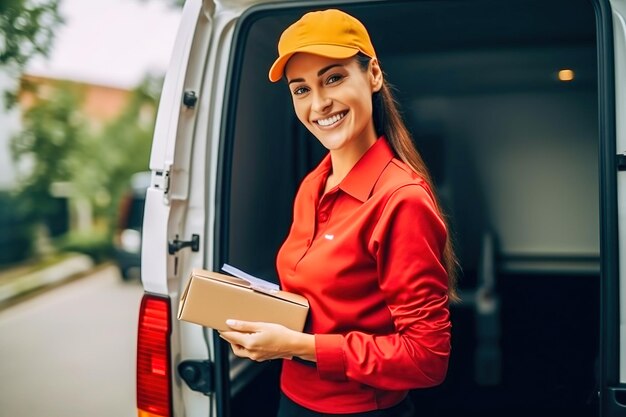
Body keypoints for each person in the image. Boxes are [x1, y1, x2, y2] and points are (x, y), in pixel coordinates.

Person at [219, 8, 458, 417]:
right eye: (301, 89)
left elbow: (426, 358)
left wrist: (294, 345)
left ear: (374, 76)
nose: (319, 103)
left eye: (333, 78)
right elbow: (318, 299)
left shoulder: (401, 199)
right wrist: (266, 319)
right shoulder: (314, 183)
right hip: (292, 400)